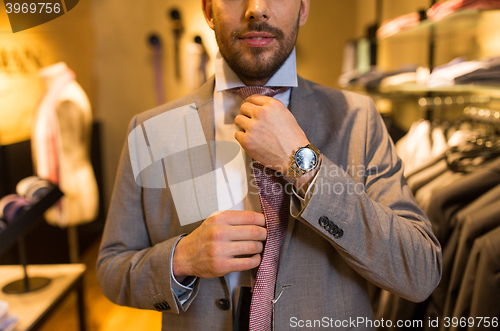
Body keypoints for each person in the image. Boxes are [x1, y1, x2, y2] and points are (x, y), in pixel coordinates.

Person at [97, 0, 442, 330]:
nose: (256, 8)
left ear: (303, 7)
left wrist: (302, 164)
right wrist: (182, 258)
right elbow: (112, 268)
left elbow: (419, 272)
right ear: (208, 9)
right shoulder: (151, 131)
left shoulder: (359, 120)